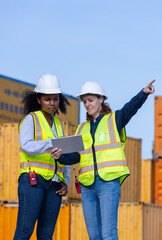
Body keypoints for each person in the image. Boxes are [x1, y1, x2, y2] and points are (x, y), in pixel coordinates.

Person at [58, 80, 155, 240]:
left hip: (108, 184)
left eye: (90, 100)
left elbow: (130, 108)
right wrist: (59, 155)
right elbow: (76, 156)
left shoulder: (114, 120)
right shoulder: (80, 129)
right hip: (87, 186)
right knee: (94, 236)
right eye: (84, 102)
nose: (87, 104)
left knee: (108, 234)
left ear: (101, 99)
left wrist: (143, 93)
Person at [14, 74, 72, 240]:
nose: (52, 103)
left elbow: (64, 157)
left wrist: (65, 182)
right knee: (24, 232)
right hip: (33, 181)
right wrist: (50, 143)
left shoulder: (60, 125)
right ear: (39, 99)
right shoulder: (30, 120)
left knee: (46, 236)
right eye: (47, 99)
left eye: (55, 99)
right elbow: (26, 146)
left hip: (55, 186)